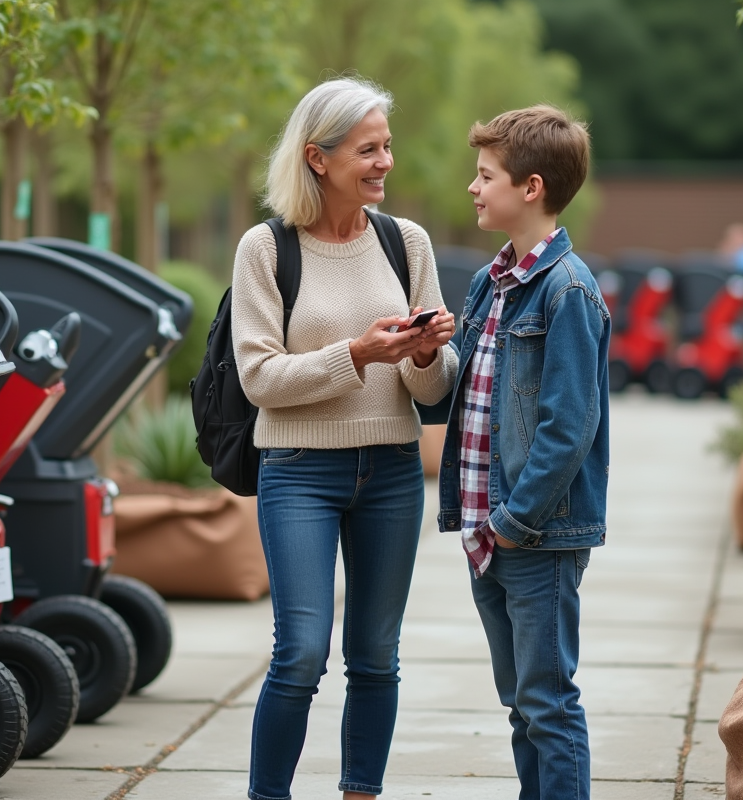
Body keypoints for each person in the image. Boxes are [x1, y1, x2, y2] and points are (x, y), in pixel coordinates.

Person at [231, 76, 458, 800]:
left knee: (376, 656)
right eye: (368, 149)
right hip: (298, 470)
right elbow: (259, 379)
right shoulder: (266, 250)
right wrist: (358, 355)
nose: (385, 161)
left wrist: (425, 354)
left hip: (392, 469)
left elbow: (432, 391)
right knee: (299, 652)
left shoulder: (406, 242)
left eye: (387, 146)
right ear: (317, 158)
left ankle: (361, 792)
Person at [438, 105, 610, 800]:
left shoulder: (568, 292)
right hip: (490, 533)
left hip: (532, 535)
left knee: (548, 704)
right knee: (521, 706)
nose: (473, 188)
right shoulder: (492, 281)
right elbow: (463, 391)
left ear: (530, 187)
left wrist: (513, 522)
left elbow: (569, 427)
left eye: (485, 176)